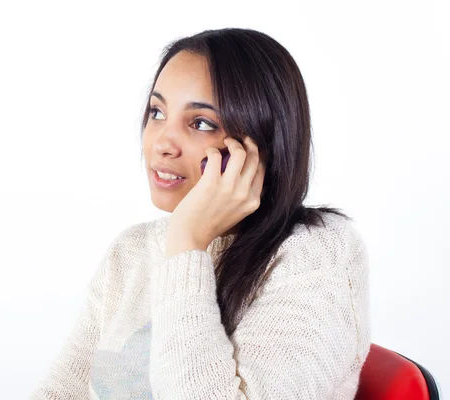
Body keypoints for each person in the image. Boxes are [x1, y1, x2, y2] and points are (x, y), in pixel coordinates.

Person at [30, 27, 370, 399]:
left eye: (201, 123)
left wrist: (187, 244)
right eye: (157, 112)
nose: (161, 143)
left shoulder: (316, 256)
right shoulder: (132, 251)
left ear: (264, 145)